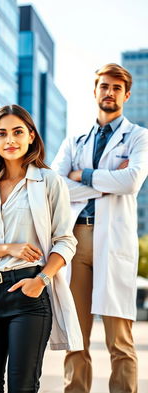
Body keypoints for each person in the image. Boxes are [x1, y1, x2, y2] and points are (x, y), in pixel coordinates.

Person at [0, 104, 83, 393]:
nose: (9, 140)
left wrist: (42, 280)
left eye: (17, 132)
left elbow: (65, 240)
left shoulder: (49, 182)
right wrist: (7, 249)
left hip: (26, 294)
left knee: (21, 386)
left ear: (31, 137)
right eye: (1, 134)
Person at [52, 63, 148, 393]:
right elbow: (55, 186)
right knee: (75, 336)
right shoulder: (74, 140)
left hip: (114, 240)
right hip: (75, 240)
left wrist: (84, 175)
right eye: (104, 86)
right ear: (95, 91)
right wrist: (108, 180)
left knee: (119, 339)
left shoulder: (139, 136)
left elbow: (132, 180)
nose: (109, 92)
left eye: (116, 88)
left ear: (126, 95)